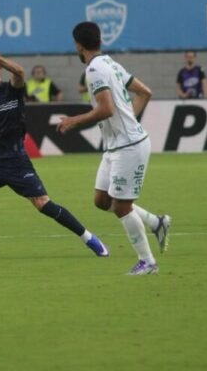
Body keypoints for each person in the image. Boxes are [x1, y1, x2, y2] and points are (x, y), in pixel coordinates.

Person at [0, 44, 108, 259]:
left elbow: (20, 72)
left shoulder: (11, 89)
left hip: (15, 160)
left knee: (43, 204)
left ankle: (89, 238)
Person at [57, 22, 170, 275]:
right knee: (101, 200)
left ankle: (148, 262)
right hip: (115, 146)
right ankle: (156, 222)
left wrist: (73, 121)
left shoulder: (95, 70)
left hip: (128, 146)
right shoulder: (111, 64)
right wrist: (129, 119)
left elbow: (106, 109)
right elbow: (146, 92)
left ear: (78, 45)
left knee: (121, 207)